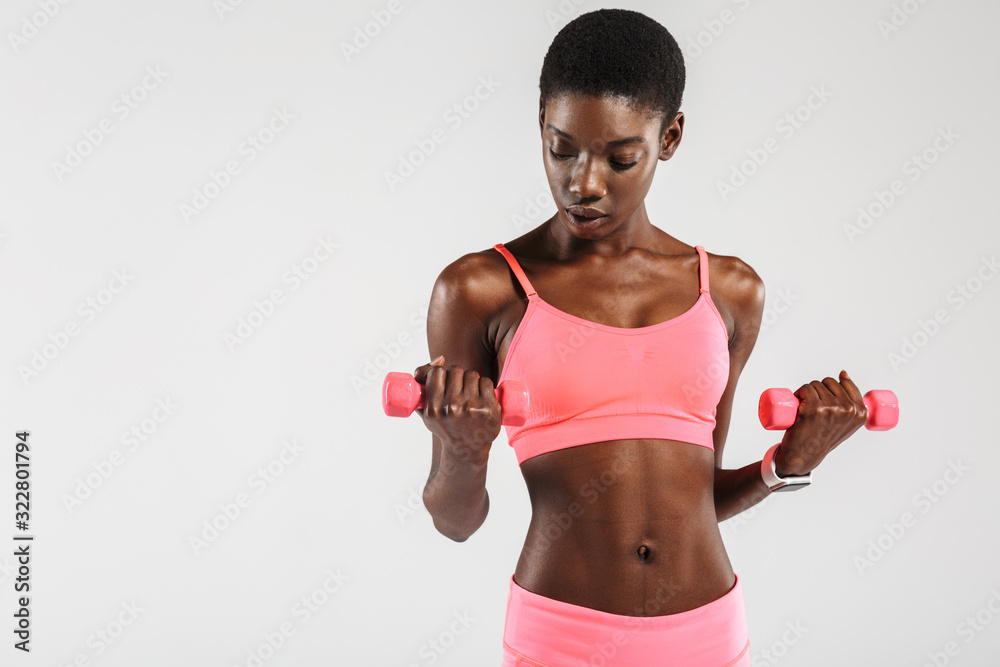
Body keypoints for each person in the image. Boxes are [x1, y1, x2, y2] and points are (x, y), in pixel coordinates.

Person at [412, 9, 869, 666]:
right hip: (562, 636)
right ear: (540, 122)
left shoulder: (732, 292)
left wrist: (788, 465)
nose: (584, 183)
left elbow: (698, 494)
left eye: (620, 157)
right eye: (561, 147)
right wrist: (462, 450)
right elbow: (455, 520)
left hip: (709, 632)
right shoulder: (481, 289)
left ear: (671, 136)